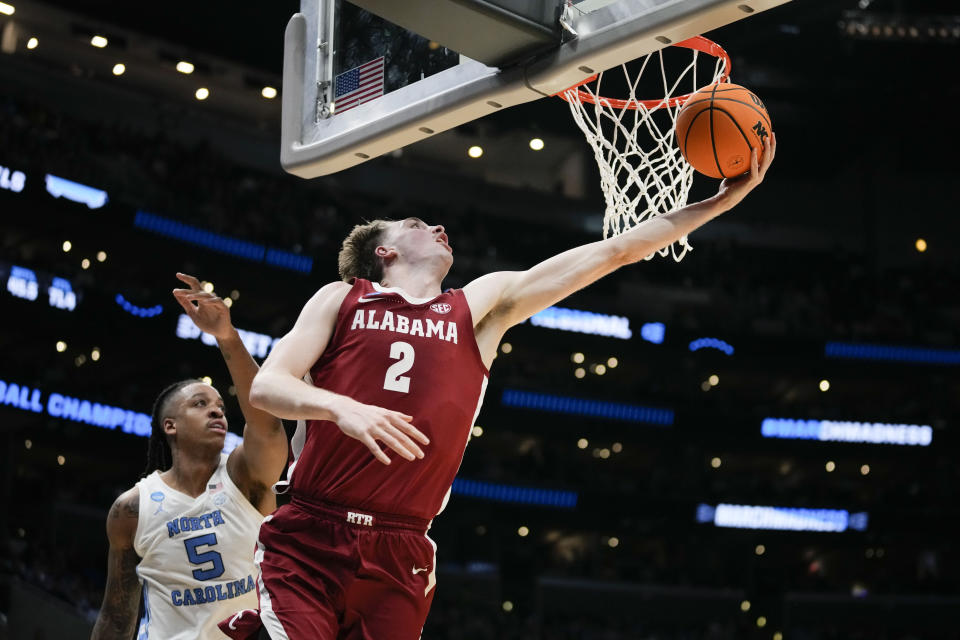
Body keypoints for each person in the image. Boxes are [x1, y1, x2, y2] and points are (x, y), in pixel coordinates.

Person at [224, 138, 776, 639]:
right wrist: (341, 408)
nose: (439, 229)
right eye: (417, 224)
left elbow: (613, 252)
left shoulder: (477, 308)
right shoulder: (342, 298)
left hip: (402, 545)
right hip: (311, 531)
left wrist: (721, 203)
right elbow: (267, 387)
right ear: (383, 252)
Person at [91, 273, 288, 640]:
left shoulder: (245, 478)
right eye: (200, 404)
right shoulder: (132, 509)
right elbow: (116, 618)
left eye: (220, 406)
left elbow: (269, 427)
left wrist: (226, 336)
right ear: (170, 426)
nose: (218, 412)